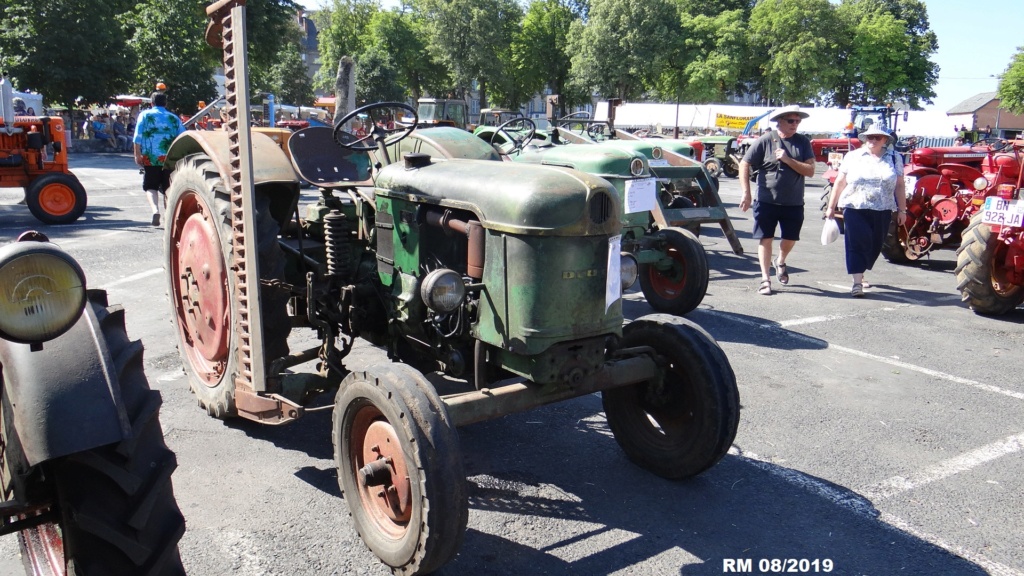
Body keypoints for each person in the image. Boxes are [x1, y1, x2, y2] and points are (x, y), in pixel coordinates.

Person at [739, 104, 816, 295]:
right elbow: (744, 163)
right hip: (766, 200)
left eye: (797, 121)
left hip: (794, 202)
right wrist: (746, 193)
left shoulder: (803, 142)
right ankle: (765, 279)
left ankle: (780, 261)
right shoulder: (766, 140)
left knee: (790, 238)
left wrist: (788, 159)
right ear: (779, 121)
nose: (795, 124)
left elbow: (811, 171)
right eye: (791, 120)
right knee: (765, 238)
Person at [824, 126, 907, 297]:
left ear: (885, 140)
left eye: (877, 137)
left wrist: (902, 210)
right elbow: (840, 181)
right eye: (870, 137)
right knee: (857, 243)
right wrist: (831, 207)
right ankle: (857, 282)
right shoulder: (853, 156)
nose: (873, 140)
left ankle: (861, 271)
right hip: (855, 206)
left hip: (883, 208)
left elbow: (899, 185)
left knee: (874, 245)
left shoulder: (894, 157)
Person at [133, 91, 184, 226]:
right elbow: (182, 136)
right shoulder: (173, 118)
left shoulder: (144, 115)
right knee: (168, 187)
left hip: (150, 157)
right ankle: (170, 216)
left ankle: (155, 210)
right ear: (166, 103)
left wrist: (137, 154)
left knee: (151, 186)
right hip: (169, 157)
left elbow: (137, 136)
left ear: (151, 103)